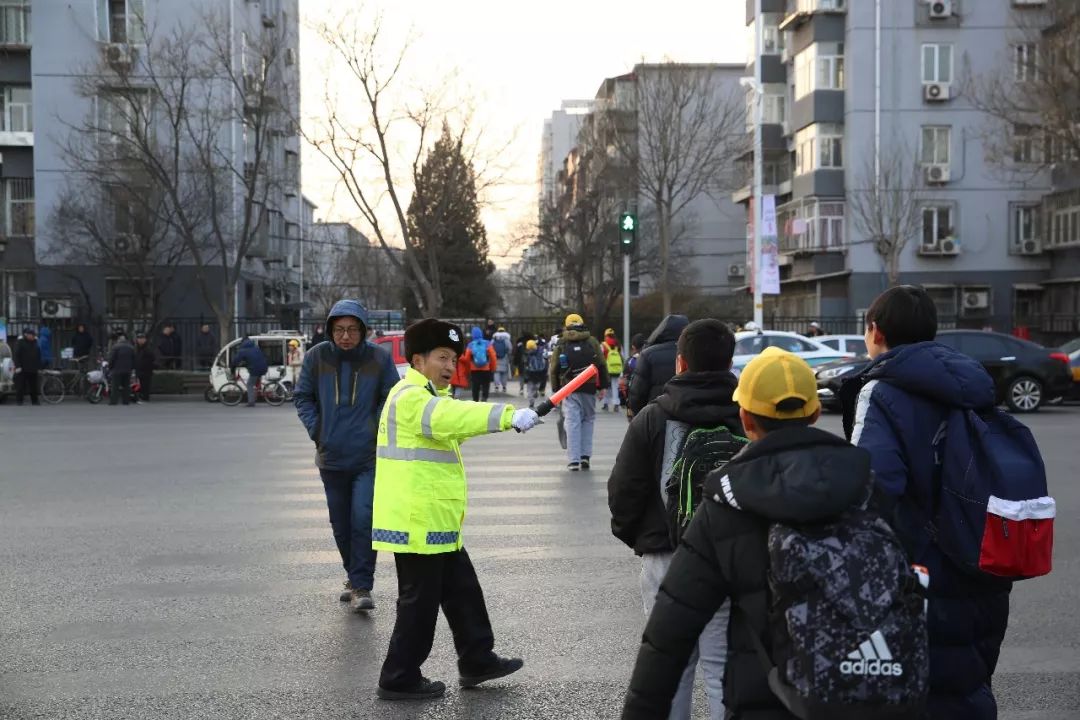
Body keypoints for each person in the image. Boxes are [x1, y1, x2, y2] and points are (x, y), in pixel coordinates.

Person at [622, 349, 891, 720]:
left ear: (746, 419)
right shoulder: (866, 484)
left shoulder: (725, 500)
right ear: (814, 413)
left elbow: (669, 635)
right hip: (858, 694)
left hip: (758, 698)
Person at [844, 285, 1010, 719]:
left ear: (874, 331)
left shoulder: (881, 391)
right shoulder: (972, 384)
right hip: (982, 557)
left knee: (917, 689)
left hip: (918, 567)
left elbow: (873, 486)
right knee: (971, 683)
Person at [372, 318, 540, 700]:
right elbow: (454, 418)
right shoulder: (411, 397)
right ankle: (398, 677)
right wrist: (509, 415)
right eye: (442, 357)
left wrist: (503, 422)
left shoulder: (430, 398)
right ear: (418, 359)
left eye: (454, 358)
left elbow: (456, 422)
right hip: (418, 523)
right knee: (420, 603)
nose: (451, 365)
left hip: (436, 521)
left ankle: (477, 659)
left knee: (463, 591)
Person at [609, 319, 744, 720]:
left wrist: (642, 538)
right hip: (728, 558)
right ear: (729, 361)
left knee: (672, 666)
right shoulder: (745, 413)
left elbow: (624, 490)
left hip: (666, 555)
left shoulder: (652, 418)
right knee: (723, 666)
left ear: (680, 363)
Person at [295, 299, 400, 612]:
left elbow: (391, 397)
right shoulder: (317, 357)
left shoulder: (379, 359)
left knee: (362, 519)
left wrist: (375, 429)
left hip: (368, 457)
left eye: (352, 330)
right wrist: (318, 430)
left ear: (363, 330)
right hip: (331, 456)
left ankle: (362, 586)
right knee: (340, 524)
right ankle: (353, 577)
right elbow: (302, 397)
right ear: (330, 329)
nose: (345, 336)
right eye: (339, 329)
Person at [549, 313, 609, 471]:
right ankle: (585, 456)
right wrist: (603, 386)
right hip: (589, 387)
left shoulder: (562, 342)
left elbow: (553, 369)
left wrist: (556, 390)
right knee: (588, 420)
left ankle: (574, 459)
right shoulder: (592, 341)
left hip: (569, 388)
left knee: (572, 422)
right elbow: (602, 365)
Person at [627, 315, 689, 418]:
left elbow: (638, 392)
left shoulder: (648, 354)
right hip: (688, 415)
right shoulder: (694, 353)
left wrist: (640, 415)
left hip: (656, 414)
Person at [230, 336, 269, 407]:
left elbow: (236, 361)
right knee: (255, 381)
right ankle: (256, 395)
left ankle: (251, 402)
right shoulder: (256, 347)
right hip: (263, 367)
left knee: (249, 384)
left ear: (242, 342)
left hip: (255, 369)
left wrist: (233, 367)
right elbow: (255, 358)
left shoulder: (243, 350)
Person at [461, 327, 496, 402]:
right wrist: (492, 368)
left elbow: (467, 359)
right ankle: (484, 398)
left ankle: (475, 400)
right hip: (486, 369)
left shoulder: (470, 345)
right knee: (486, 385)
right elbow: (493, 357)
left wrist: (467, 371)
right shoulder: (487, 343)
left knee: (475, 386)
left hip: (474, 370)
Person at [13, 327, 41, 406]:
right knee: (21, 386)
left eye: (32, 335)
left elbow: (38, 355)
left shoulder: (36, 343)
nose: (31, 336)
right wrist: (18, 366)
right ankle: (19, 401)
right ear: (26, 335)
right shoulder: (20, 342)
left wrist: (38, 366)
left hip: (33, 368)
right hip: (23, 368)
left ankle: (35, 401)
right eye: (30, 335)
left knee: (33, 386)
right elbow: (16, 355)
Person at [107, 333, 136, 406]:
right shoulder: (131, 347)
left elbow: (112, 359)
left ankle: (113, 401)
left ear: (119, 340)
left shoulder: (115, 347)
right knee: (126, 386)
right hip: (127, 370)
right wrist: (132, 368)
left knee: (115, 386)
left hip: (117, 370)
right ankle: (126, 401)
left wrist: (110, 367)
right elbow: (134, 359)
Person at [602, 329, 624, 413]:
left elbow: (601, 357)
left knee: (607, 386)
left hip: (607, 369)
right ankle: (616, 405)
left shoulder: (603, 345)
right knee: (615, 386)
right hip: (617, 369)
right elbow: (622, 357)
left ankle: (606, 404)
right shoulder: (618, 345)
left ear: (606, 336)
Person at [522, 339, 548, 409]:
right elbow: (546, 359)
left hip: (530, 373)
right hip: (540, 372)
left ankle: (531, 402)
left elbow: (525, 364)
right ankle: (535, 392)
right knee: (536, 385)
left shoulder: (527, 354)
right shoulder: (541, 351)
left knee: (530, 388)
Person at [134, 332, 157, 403]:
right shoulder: (136, 348)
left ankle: (145, 397)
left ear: (145, 339)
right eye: (139, 339)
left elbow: (153, 358)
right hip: (138, 369)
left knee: (145, 384)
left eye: (142, 339)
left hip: (146, 370)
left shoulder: (148, 348)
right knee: (138, 384)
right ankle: (139, 396)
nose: (140, 340)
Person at [491, 326, 513, 394]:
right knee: (504, 373)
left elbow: (490, 348)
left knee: (496, 372)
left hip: (495, 358)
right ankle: (504, 387)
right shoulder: (506, 339)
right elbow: (510, 349)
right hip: (504, 358)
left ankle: (496, 386)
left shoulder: (494, 339)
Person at [512, 331, 534, 397]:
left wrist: (515, 362)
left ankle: (521, 389)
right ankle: (529, 390)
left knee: (521, 376)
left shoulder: (520, 343)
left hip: (521, 362)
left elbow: (516, 353)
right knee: (530, 376)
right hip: (531, 363)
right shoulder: (532, 342)